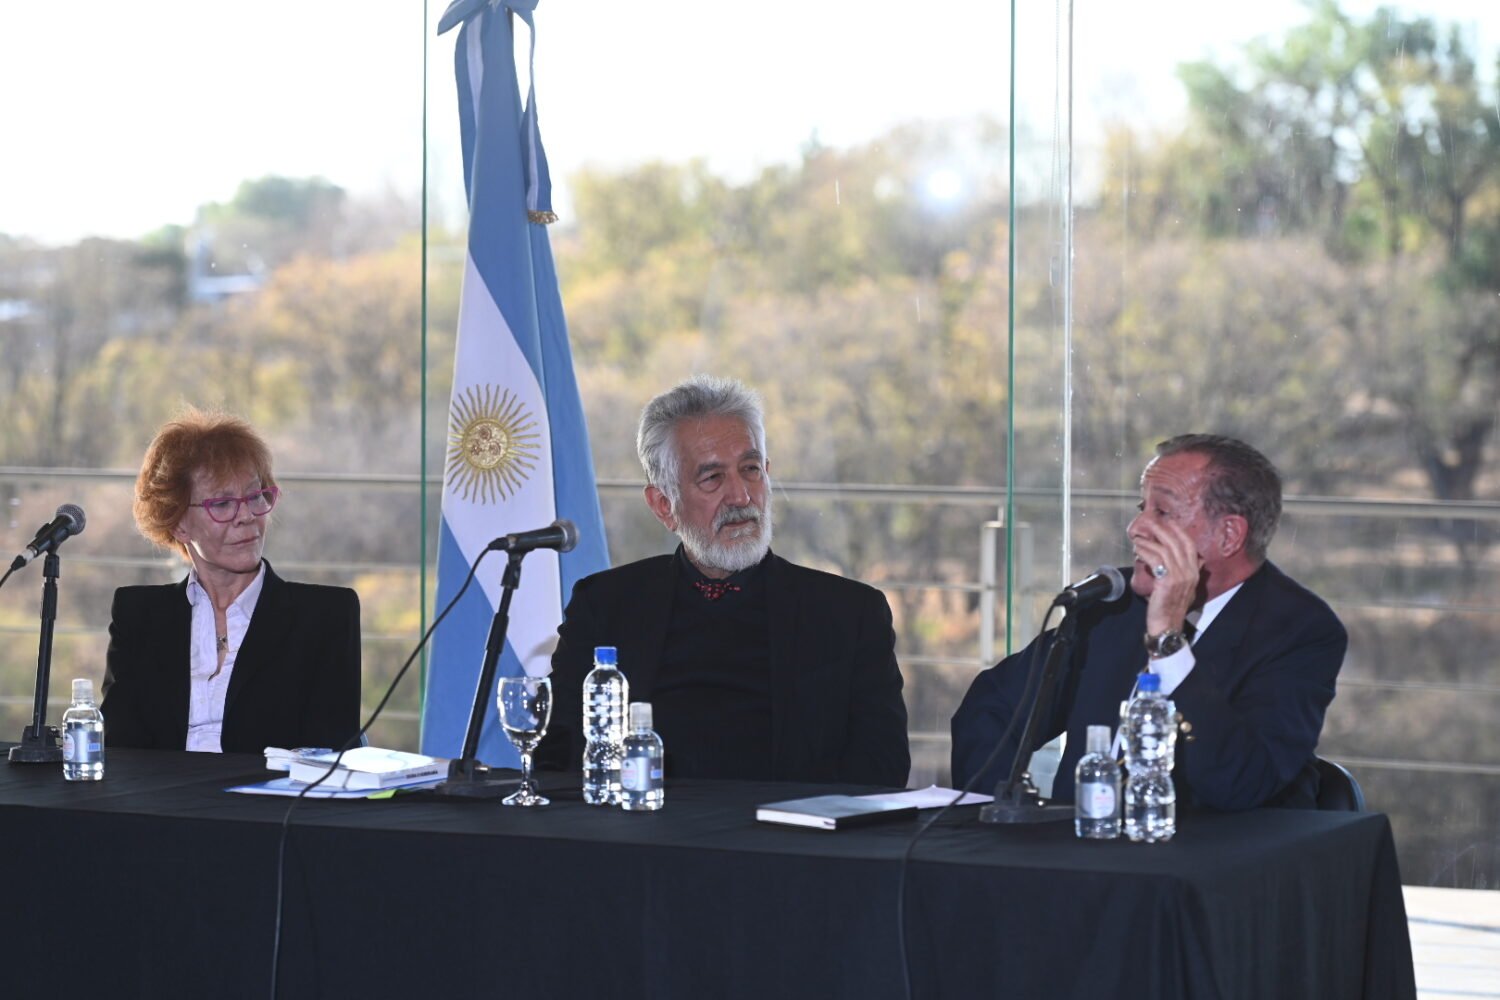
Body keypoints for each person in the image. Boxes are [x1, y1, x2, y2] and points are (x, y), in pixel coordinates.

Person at [540, 375, 910, 786]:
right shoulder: (606, 605)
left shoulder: (849, 613)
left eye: (750, 470)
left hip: (789, 838)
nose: (741, 496)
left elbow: (883, 768)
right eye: (712, 478)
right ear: (664, 505)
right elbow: (558, 757)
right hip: (644, 836)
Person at [951, 434, 1346, 810]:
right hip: (1076, 858)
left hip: (1206, 867)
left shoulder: (1299, 630)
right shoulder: (1113, 603)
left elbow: (1242, 783)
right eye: (1143, 509)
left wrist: (1167, 641)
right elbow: (991, 707)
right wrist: (997, 815)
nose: (1135, 528)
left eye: (1163, 512)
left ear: (1228, 535)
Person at [101, 409, 362, 753]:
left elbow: (326, 756)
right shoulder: (138, 615)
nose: (247, 516)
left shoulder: (325, 617)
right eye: (222, 504)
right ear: (178, 522)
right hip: (159, 803)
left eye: (256, 497)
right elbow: (118, 749)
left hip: (268, 805)